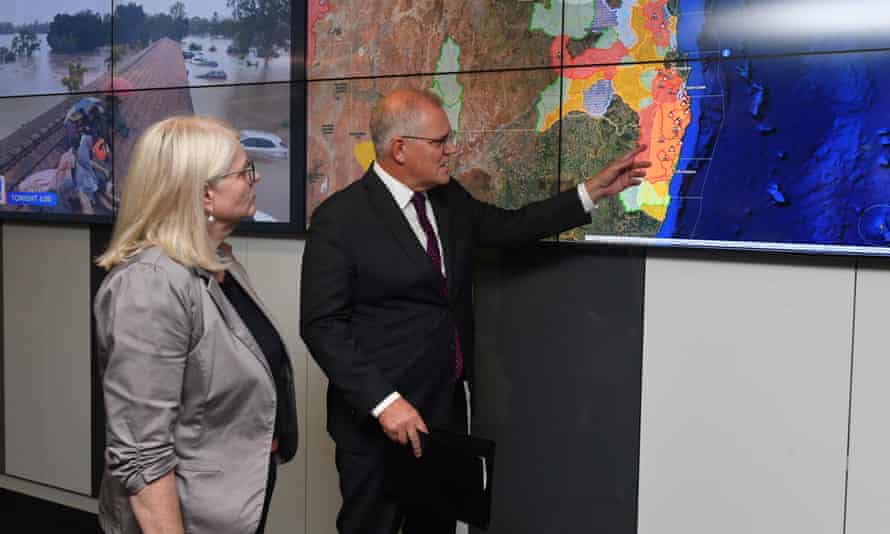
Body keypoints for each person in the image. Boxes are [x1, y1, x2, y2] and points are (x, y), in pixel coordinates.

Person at [299, 88, 650, 534]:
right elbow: (322, 326)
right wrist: (384, 403)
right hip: (379, 425)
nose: (453, 150)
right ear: (400, 149)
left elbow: (510, 227)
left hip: (443, 417)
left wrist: (590, 193)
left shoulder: (448, 201)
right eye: (441, 141)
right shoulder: (340, 220)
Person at [93, 116, 298, 534]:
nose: (254, 179)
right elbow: (143, 457)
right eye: (244, 172)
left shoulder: (218, 262)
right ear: (206, 194)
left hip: (230, 506)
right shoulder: (148, 286)